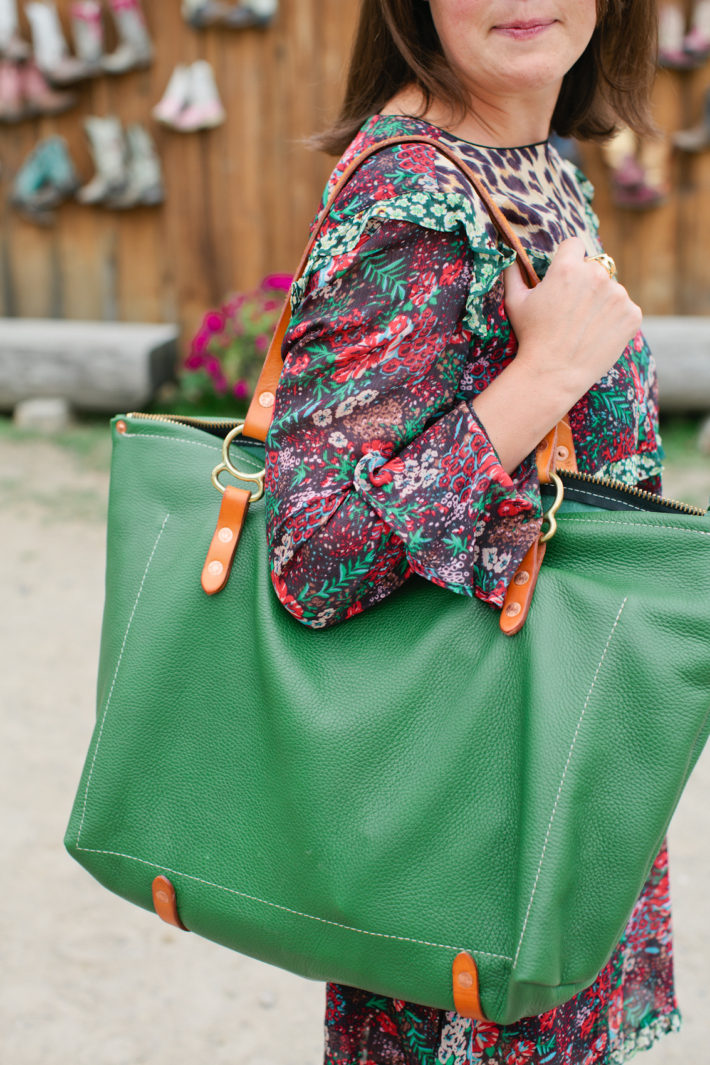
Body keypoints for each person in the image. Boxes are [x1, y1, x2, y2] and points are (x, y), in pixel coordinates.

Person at [265, 1, 680, 1061]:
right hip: (467, 812)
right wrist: (542, 377)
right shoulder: (412, 190)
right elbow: (312, 553)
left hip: (542, 764)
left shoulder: (525, 154)